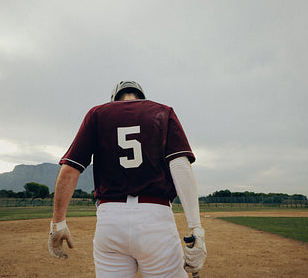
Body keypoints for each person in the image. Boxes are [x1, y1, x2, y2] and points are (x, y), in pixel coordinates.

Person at [48, 80, 207, 277]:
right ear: (142, 97)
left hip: (110, 220)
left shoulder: (97, 114)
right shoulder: (163, 112)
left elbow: (70, 169)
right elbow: (180, 166)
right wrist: (196, 229)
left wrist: (58, 223)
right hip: (155, 218)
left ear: (114, 99)